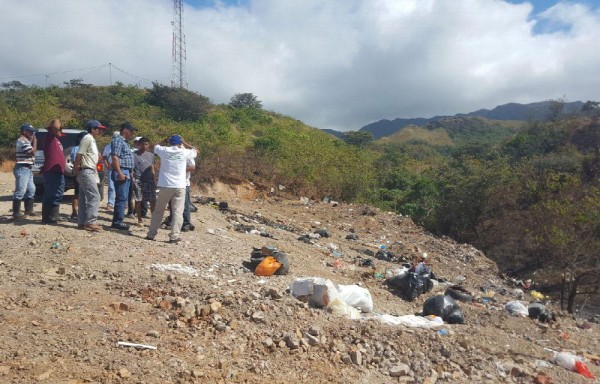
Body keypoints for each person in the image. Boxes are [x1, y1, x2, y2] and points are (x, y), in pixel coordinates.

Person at [145, 135, 197, 243]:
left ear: (170, 142)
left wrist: (163, 140)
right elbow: (196, 150)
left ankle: (151, 234)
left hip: (165, 185)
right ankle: (174, 236)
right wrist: (185, 142)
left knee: (159, 210)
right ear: (179, 143)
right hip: (179, 185)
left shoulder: (164, 150)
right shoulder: (184, 152)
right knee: (178, 212)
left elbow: (153, 147)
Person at [74, 120, 106, 232]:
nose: (100, 131)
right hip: (86, 170)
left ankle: (82, 222)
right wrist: (76, 168)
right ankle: (90, 222)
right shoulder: (87, 138)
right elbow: (79, 154)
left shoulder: (91, 140)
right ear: (93, 129)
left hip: (87, 170)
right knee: (95, 196)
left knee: (83, 198)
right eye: (98, 129)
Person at [110, 122, 136, 230]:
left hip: (126, 172)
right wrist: (120, 173)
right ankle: (117, 222)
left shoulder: (125, 142)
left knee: (124, 198)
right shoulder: (118, 140)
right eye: (131, 131)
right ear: (124, 130)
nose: (132, 133)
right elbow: (115, 157)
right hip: (122, 171)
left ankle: (118, 220)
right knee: (121, 198)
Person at [40, 119, 66, 224]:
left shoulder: (57, 140)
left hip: (59, 171)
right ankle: (46, 217)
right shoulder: (49, 137)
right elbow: (55, 125)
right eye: (59, 130)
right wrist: (57, 121)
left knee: (59, 193)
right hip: (51, 170)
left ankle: (54, 216)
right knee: (50, 193)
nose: (60, 131)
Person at [12, 123, 38, 219]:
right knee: (21, 190)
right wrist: (35, 142)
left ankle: (29, 209)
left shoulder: (26, 141)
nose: (33, 133)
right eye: (31, 131)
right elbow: (31, 152)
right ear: (24, 132)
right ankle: (16, 212)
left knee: (31, 189)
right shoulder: (22, 141)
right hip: (22, 168)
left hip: (28, 168)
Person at [132, 137, 156, 226]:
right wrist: (132, 177)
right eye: (142, 144)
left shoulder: (151, 155)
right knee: (138, 200)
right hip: (138, 179)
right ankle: (139, 219)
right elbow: (132, 168)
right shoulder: (134, 154)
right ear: (139, 144)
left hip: (149, 179)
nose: (144, 146)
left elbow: (152, 166)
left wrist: (153, 176)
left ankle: (154, 220)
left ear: (148, 145)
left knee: (152, 200)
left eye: (146, 144)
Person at [69, 132, 88, 220]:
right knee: (78, 193)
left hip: (81, 172)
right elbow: (75, 160)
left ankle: (78, 212)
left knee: (80, 193)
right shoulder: (76, 149)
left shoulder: (76, 149)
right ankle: (75, 212)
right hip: (80, 172)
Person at [102, 132, 119, 209]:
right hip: (111, 168)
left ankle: (120, 202)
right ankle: (111, 202)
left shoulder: (122, 146)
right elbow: (104, 156)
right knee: (111, 186)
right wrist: (107, 165)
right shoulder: (108, 146)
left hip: (120, 168)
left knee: (120, 186)